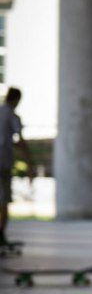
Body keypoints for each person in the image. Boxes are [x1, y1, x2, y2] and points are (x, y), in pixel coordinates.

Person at [0, 88, 35, 245]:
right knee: (3, 201)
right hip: (3, 163)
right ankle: (1, 235)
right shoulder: (12, 116)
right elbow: (20, 141)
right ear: (16, 100)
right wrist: (29, 163)